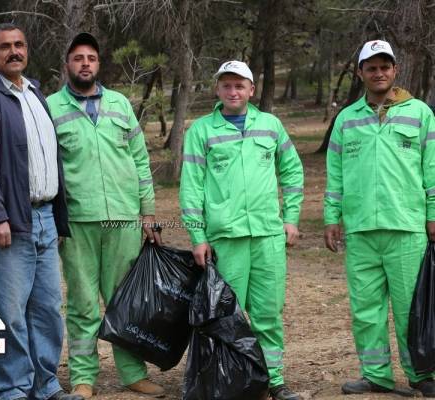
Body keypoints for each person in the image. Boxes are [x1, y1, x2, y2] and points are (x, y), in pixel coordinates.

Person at [0, 23, 81, 400]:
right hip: (5, 223)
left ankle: (45, 386)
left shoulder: (34, 93)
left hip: (43, 219)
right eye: (5, 46)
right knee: (8, 314)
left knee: (47, 310)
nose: (14, 51)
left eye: (20, 45)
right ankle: (12, 390)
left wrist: (56, 218)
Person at [46, 33, 163, 399]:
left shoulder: (120, 105)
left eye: (91, 58)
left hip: (123, 219)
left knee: (124, 301)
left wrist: (147, 212)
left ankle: (133, 373)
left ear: (98, 64)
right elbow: (46, 168)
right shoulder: (50, 107)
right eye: (78, 57)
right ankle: (84, 377)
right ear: (67, 64)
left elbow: (140, 160)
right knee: (82, 303)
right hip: (78, 221)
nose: (85, 63)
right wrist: (53, 218)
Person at [179, 60, 304, 400]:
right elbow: (191, 188)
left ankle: (273, 380)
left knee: (268, 313)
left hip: (267, 236)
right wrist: (198, 237)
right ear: (218, 89)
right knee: (226, 317)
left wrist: (291, 217)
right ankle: (232, 380)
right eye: (226, 85)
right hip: (226, 239)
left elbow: (292, 171)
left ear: (251, 89)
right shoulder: (201, 131)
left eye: (239, 85)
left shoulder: (270, 126)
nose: (233, 91)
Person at [324, 39, 435, 397]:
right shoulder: (346, 119)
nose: (379, 73)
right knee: (366, 310)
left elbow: (432, 168)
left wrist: (433, 213)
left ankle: (421, 374)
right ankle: (375, 375)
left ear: (395, 70)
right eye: (371, 67)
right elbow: (335, 174)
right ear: (360, 73)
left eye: (385, 66)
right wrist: (331, 217)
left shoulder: (420, 113)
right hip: (360, 230)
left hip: (406, 227)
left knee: (410, 309)